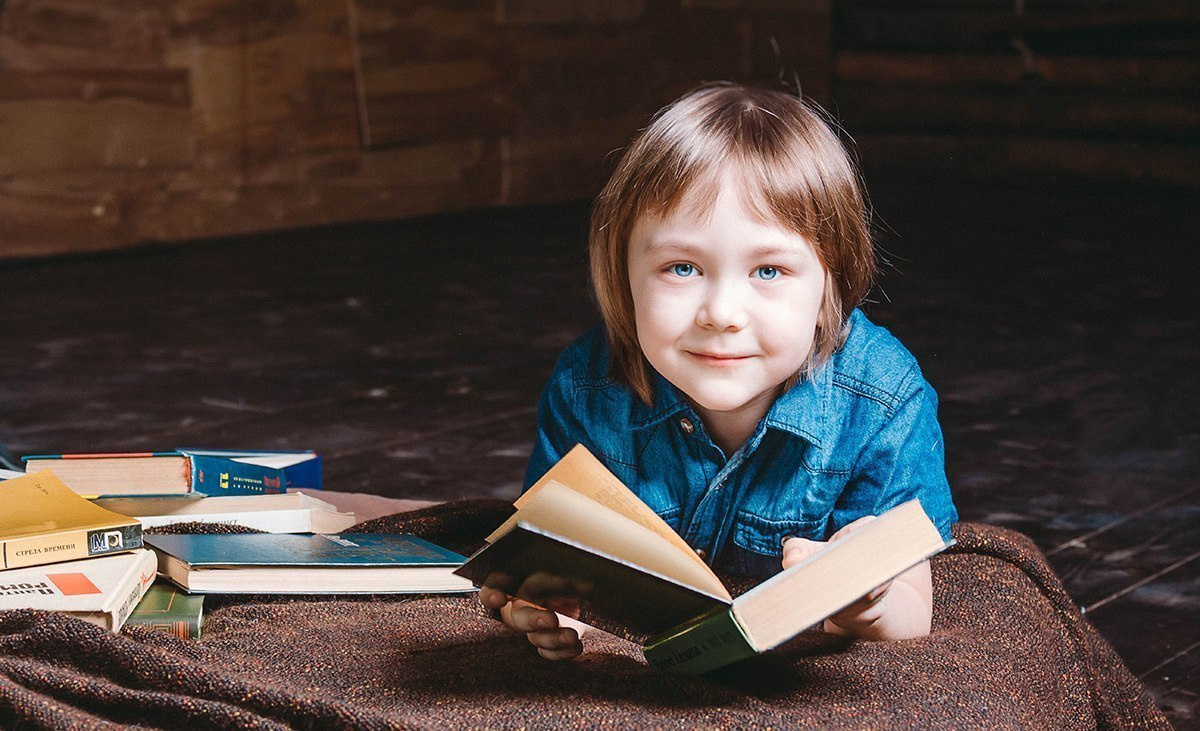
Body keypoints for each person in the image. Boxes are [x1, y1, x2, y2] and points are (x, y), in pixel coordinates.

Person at [480, 82, 957, 660]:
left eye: (770, 271)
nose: (722, 315)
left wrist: (869, 600)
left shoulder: (881, 399)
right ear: (622, 275)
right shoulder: (587, 386)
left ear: (830, 280)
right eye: (682, 268)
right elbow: (559, 558)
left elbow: (912, 608)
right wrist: (562, 610)